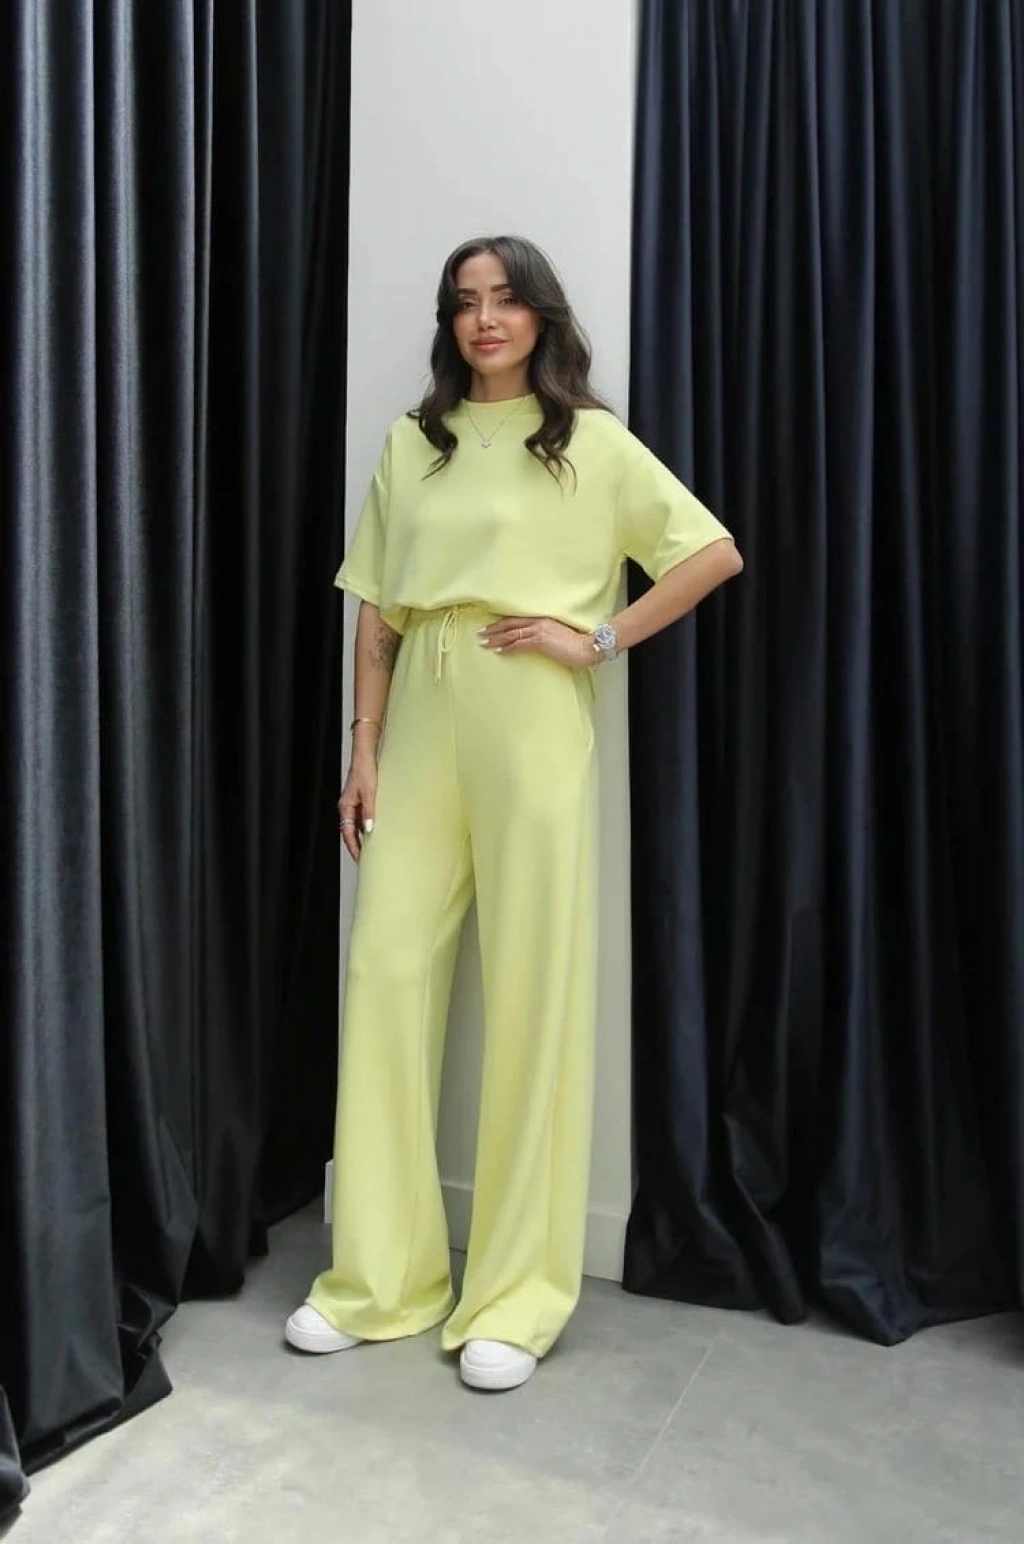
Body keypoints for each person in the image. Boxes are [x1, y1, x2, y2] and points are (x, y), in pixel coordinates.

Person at [285, 235, 742, 1392]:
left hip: (532, 711)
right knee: (384, 971)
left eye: (503, 299)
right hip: (422, 708)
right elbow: (376, 609)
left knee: (535, 984)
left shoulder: (587, 441)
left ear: (541, 313)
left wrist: (599, 636)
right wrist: (363, 748)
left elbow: (709, 552)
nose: (483, 318)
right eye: (464, 302)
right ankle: (377, 1277)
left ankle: (515, 1295)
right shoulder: (414, 442)